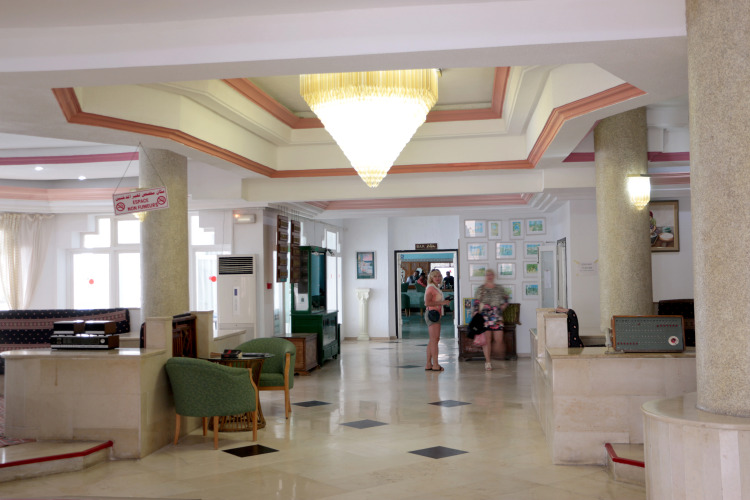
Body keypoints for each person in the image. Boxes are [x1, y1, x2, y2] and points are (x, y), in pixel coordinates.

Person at [476, 269, 509, 370]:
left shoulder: (499, 288)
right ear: (485, 276)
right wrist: (475, 313)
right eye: (487, 275)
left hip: (497, 316)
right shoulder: (481, 288)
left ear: (494, 276)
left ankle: (497, 357)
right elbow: (476, 302)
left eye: (491, 274)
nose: (489, 276)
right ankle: (488, 362)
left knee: (499, 340)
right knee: (487, 340)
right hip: (485, 317)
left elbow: (506, 299)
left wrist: (503, 306)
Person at [424, 269, 451, 371]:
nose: (438, 278)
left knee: (433, 340)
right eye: (435, 276)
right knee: (435, 340)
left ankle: (428, 364)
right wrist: (442, 303)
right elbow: (427, 303)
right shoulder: (431, 288)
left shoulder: (436, 287)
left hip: (435, 314)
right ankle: (435, 365)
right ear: (431, 277)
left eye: (439, 276)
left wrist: (444, 301)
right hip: (432, 314)